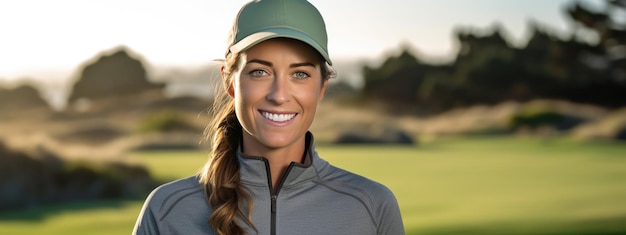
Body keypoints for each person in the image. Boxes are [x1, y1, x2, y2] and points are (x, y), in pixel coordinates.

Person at [132, 0, 405, 234]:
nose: (279, 94)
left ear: (321, 87)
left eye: (300, 74)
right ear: (229, 81)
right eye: (260, 72)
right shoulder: (167, 210)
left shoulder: (372, 206)